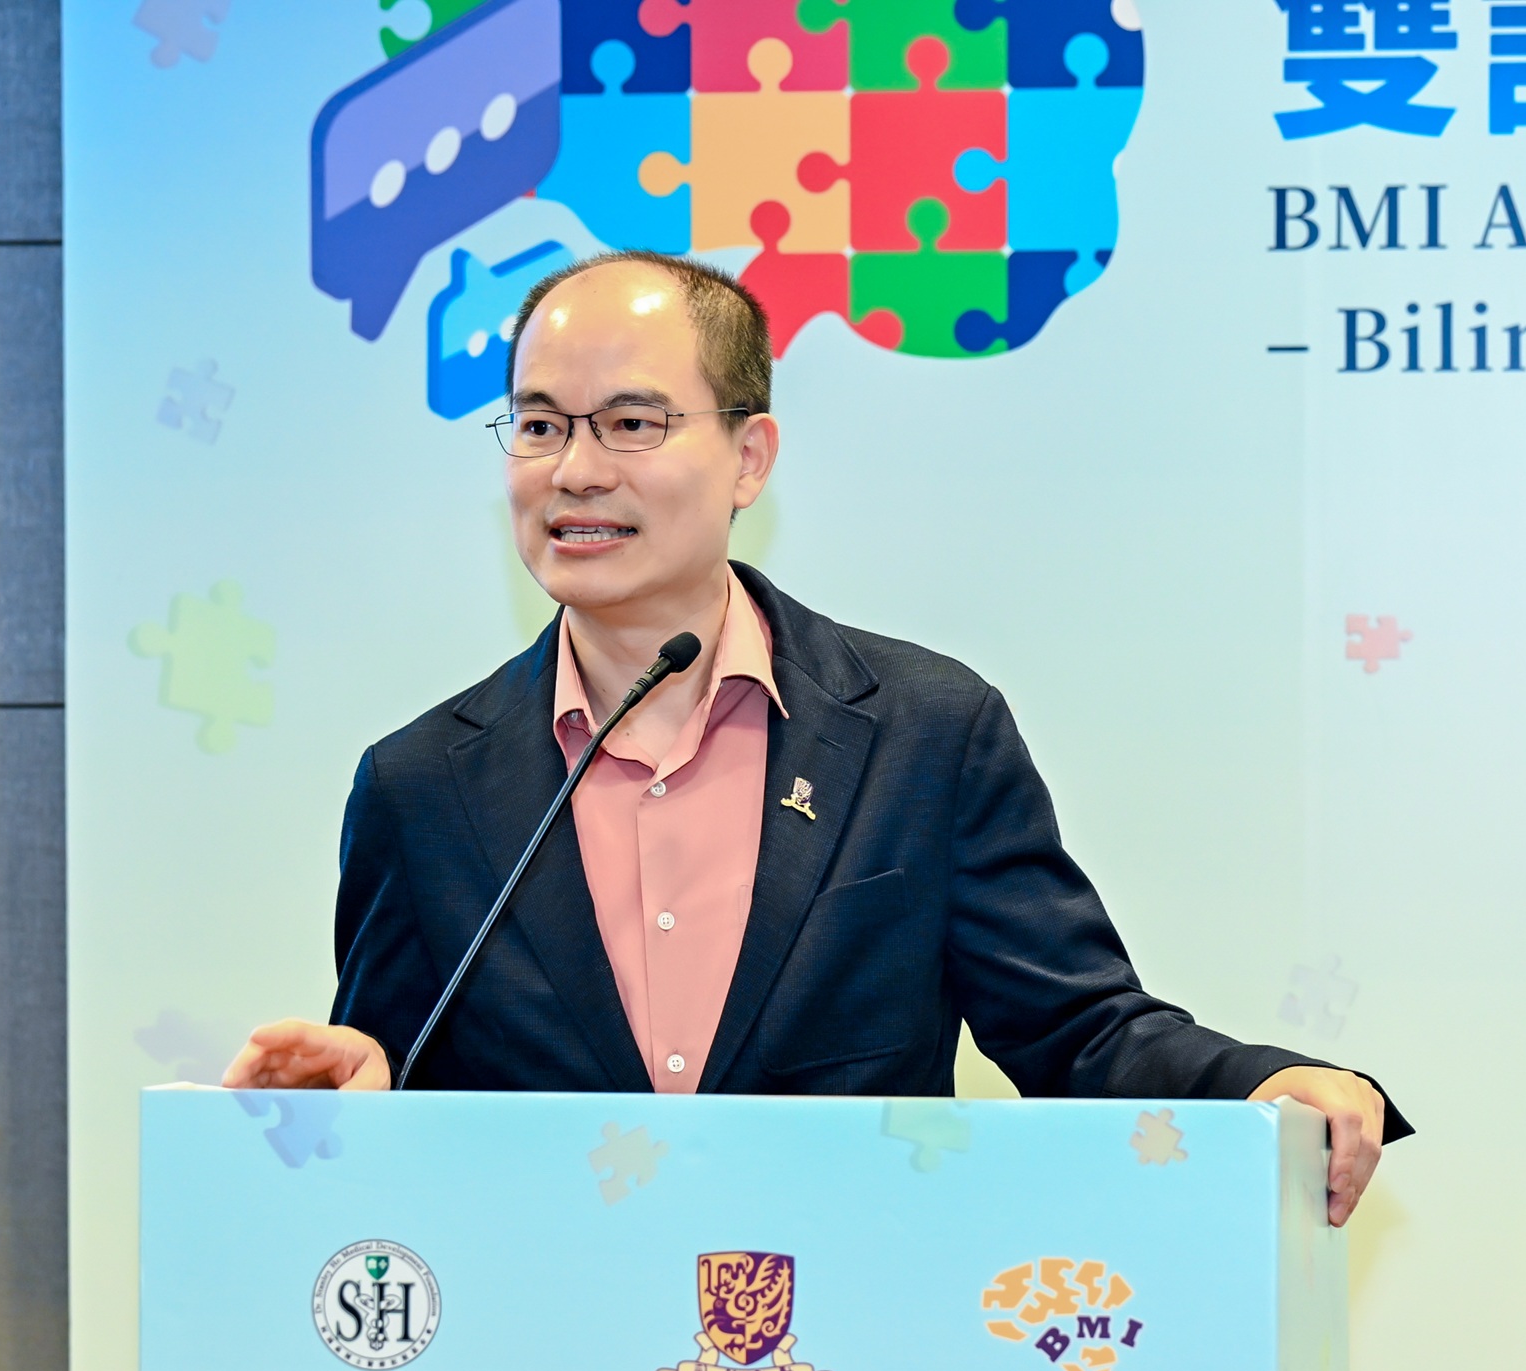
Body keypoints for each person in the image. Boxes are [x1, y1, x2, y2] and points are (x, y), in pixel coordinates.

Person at [225, 252, 1409, 1222]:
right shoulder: (422, 786)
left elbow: (1079, 1031)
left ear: (750, 457)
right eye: (539, 425)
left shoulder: (922, 734)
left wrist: (1263, 1081)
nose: (575, 470)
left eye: (631, 421)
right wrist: (356, 1103)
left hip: (853, 1368)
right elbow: (403, 1084)